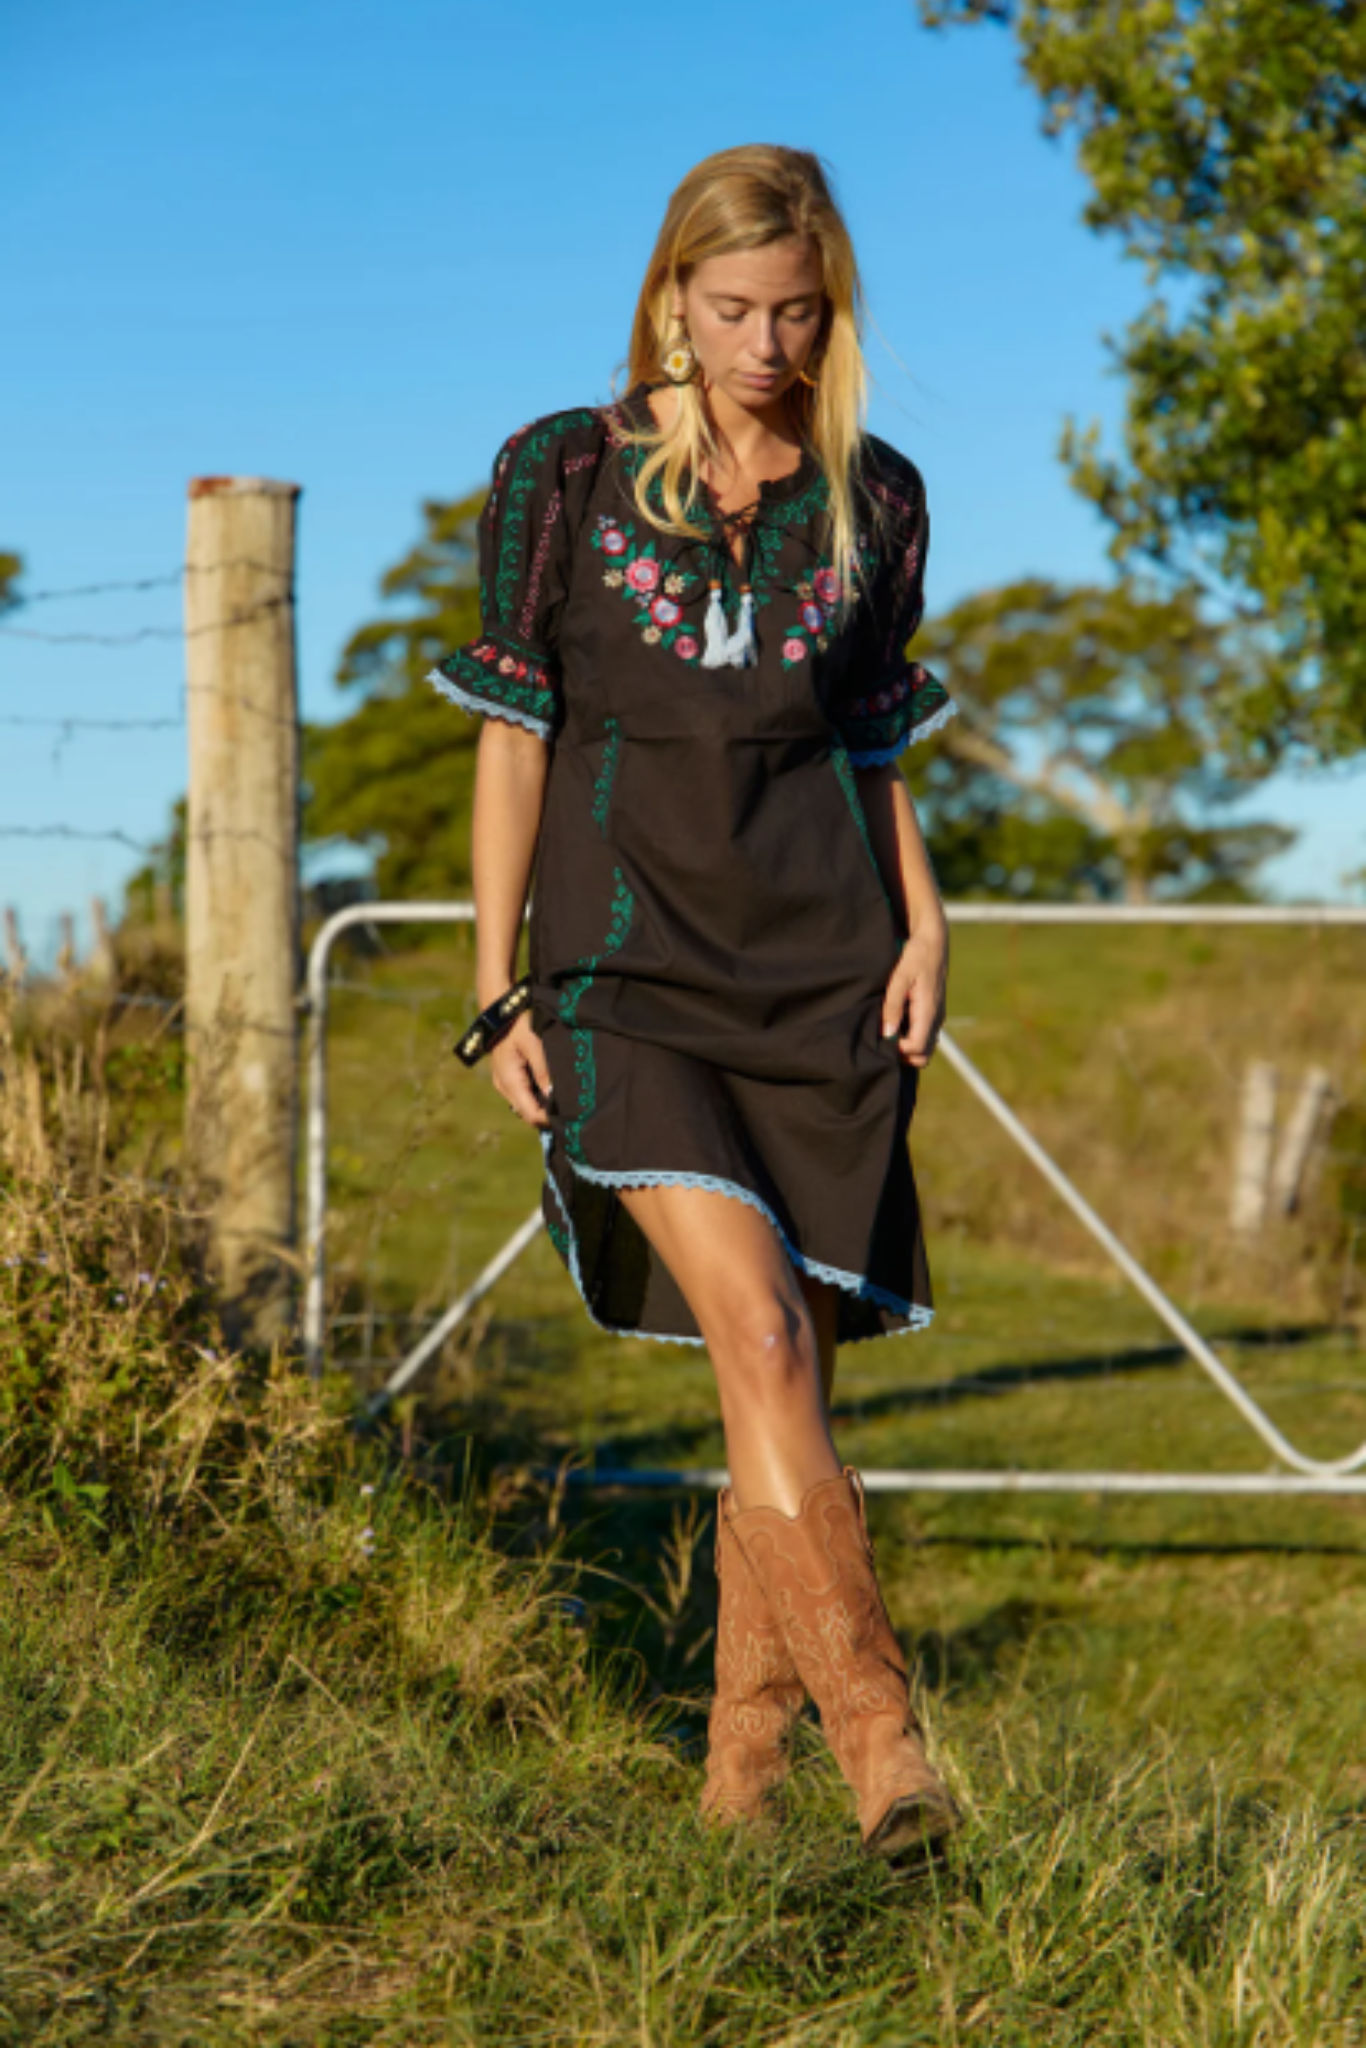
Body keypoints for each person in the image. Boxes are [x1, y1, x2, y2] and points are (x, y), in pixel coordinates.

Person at [434, 144, 962, 1858]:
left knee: (783, 1368)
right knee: (755, 1331)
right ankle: (882, 1740)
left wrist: (924, 924)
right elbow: (513, 734)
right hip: (620, 971)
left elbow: (870, 744)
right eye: (731, 308)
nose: (763, 345)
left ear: (832, 312)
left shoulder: (875, 498)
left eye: (795, 314)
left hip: (821, 970)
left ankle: (740, 1787)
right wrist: (496, 981)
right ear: (671, 295)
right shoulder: (563, 472)